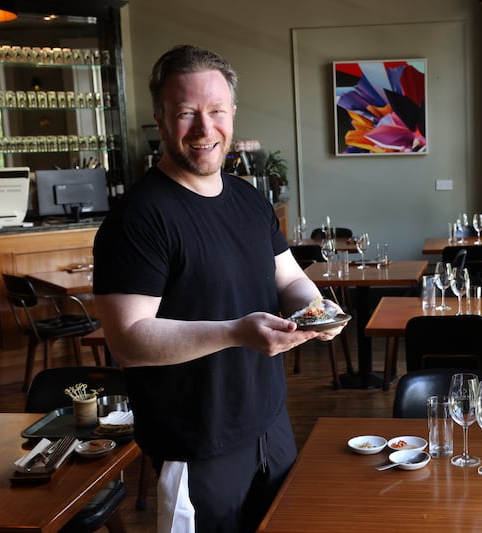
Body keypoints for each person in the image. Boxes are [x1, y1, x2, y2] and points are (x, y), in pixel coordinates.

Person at [92, 44, 343, 532]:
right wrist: (236, 332)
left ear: (232, 113)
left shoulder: (248, 200)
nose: (204, 130)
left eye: (215, 111)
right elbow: (128, 340)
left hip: (270, 423)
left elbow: (288, 276)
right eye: (186, 113)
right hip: (195, 441)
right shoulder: (139, 218)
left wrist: (317, 310)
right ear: (161, 119)